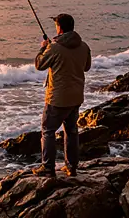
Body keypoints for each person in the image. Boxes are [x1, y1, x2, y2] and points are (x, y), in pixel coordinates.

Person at [32, 13, 91, 178]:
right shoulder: (84, 46)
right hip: (76, 96)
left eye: (56, 25)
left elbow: (39, 65)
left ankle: (48, 168)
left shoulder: (54, 47)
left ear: (60, 28)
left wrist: (44, 47)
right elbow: (86, 67)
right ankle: (71, 167)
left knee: (48, 131)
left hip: (57, 98)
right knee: (71, 131)